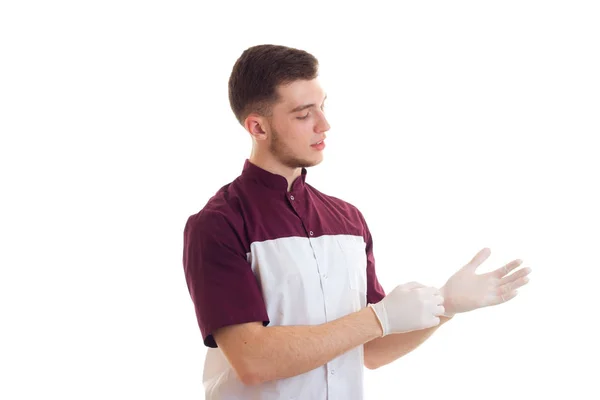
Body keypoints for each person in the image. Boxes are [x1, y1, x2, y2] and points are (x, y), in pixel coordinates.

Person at [182, 44, 532, 400]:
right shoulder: (217, 225)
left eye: (322, 106)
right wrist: (377, 318)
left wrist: (446, 305)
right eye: (304, 115)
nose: (324, 125)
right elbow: (253, 359)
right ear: (257, 127)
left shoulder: (347, 220)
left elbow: (371, 350)